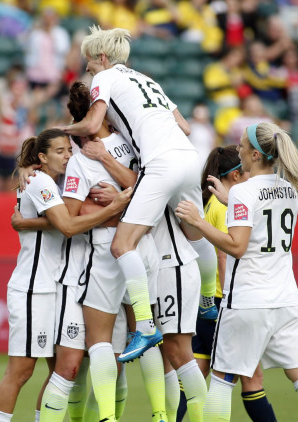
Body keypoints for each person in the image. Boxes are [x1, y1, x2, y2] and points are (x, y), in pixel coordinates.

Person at [175, 122, 298, 422]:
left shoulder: (245, 193)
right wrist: (227, 199)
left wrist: (199, 220)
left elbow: (236, 245)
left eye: (240, 146)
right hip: (287, 300)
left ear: (255, 154)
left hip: (248, 300)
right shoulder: (288, 189)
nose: (236, 151)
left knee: (221, 379)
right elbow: (258, 219)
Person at [62, 26, 218, 365]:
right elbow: (187, 127)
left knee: (122, 245)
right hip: (189, 157)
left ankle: (145, 326)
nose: (88, 71)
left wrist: (59, 130)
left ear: (101, 58)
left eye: (89, 63)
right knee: (195, 230)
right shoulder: (148, 81)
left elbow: (91, 125)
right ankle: (209, 299)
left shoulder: (106, 77)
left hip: (160, 163)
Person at [0, 129, 132, 422]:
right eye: (61, 151)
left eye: (69, 149)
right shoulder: (42, 183)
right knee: (19, 372)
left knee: (59, 373)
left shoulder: (47, 182)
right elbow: (66, 226)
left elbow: (58, 222)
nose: (68, 155)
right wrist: (121, 204)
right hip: (35, 288)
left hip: (54, 287)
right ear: (42, 158)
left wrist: (29, 221)